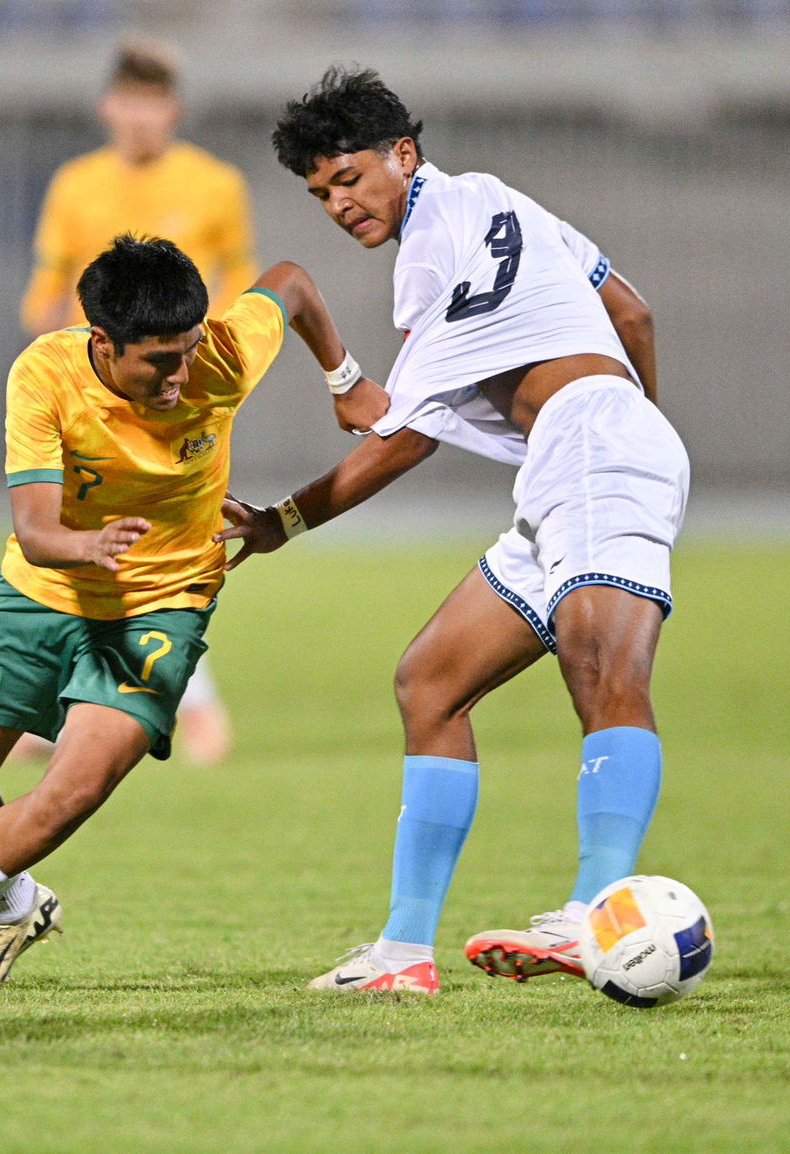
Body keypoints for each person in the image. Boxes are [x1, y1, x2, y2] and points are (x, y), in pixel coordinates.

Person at [218, 67, 685, 994]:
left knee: (603, 672)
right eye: (320, 194)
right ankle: (402, 954)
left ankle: (597, 913)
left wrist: (283, 521)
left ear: (403, 154)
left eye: (349, 178)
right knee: (430, 682)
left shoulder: (429, 252)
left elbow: (405, 438)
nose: (339, 204)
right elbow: (631, 311)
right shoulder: (496, 198)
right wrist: (639, 426)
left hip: (591, 450)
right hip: (576, 460)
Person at [0, 234, 388, 986]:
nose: (181, 375)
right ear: (103, 343)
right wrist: (86, 546)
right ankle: (17, 906)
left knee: (71, 790)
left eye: (189, 350)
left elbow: (292, 281)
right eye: (159, 361)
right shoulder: (45, 374)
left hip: (162, 605)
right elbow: (35, 530)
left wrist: (345, 378)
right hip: (42, 589)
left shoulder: (221, 356)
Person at [17, 38, 261, 765]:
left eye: (153, 103)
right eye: (130, 102)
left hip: (176, 396)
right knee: (76, 543)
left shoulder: (215, 184)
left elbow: (242, 279)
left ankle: (191, 705)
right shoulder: (75, 185)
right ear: (107, 108)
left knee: (163, 541)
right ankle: (77, 703)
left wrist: (215, 368)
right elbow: (48, 284)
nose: (140, 117)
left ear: (173, 110)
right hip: (88, 394)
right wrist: (44, 343)